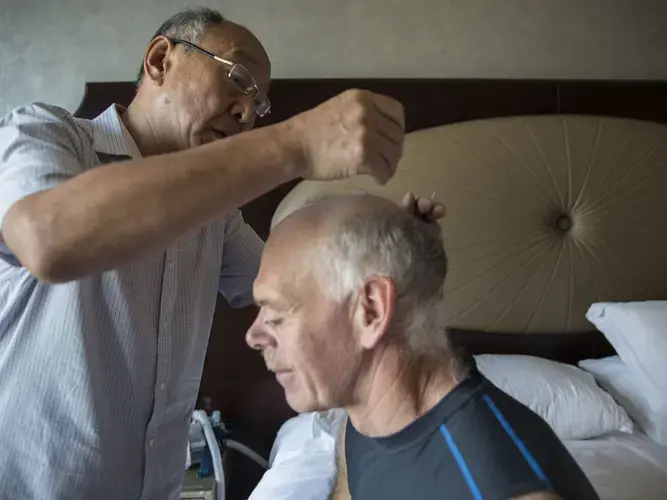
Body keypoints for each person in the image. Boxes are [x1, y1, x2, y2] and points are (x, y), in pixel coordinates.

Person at [0, 7, 426, 500]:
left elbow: (296, 291)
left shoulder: (216, 216)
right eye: (238, 78)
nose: (248, 111)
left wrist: (396, 243)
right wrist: (294, 143)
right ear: (160, 60)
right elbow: (47, 239)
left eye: (259, 102)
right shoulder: (42, 135)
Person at [247, 193, 601, 500]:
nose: (254, 335)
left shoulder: (490, 484)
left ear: (370, 310)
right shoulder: (362, 416)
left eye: (277, 312)